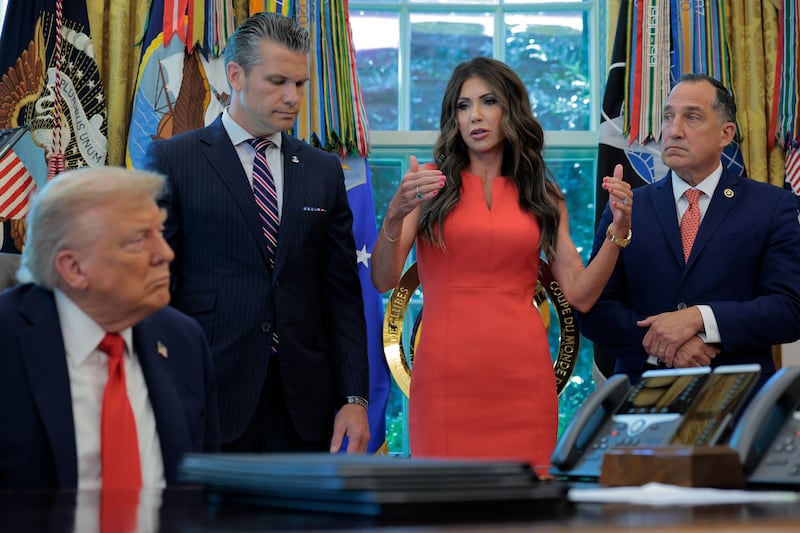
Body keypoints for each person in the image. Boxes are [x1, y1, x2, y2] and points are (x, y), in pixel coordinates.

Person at [370, 57, 633, 471]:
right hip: (444, 379)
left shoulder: (543, 193)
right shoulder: (430, 186)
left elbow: (580, 294)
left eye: (488, 101)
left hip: (522, 379)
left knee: (524, 512)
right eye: (463, 105)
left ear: (509, 109)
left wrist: (618, 231)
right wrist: (394, 215)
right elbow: (383, 278)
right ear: (453, 118)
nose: (474, 115)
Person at [144, 12, 370, 454]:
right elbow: (156, 285)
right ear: (235, 76)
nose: (292, 98)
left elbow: (342, 295)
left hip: (305, 406)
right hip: (206, 392)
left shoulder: (324, 170)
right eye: (278, 81)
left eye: (301, 85)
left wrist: (354, 398)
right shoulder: (175, 159)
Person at [0, 167, 220, 489]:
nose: (166, 253)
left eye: (159, 232)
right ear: (74, 268)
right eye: (138, 240)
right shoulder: (8, 341)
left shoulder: (183, 340)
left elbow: (203, 491)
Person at [577, 73, 800, 386]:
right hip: (641, 399)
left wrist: (700, 318)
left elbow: (789, 310)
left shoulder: (772, 205)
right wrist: (666, 347)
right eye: (668, 117)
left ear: (726, 134)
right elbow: (593, 310)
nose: (674, 130)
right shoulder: (627, 206)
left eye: (691, 117)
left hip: (738, 402)